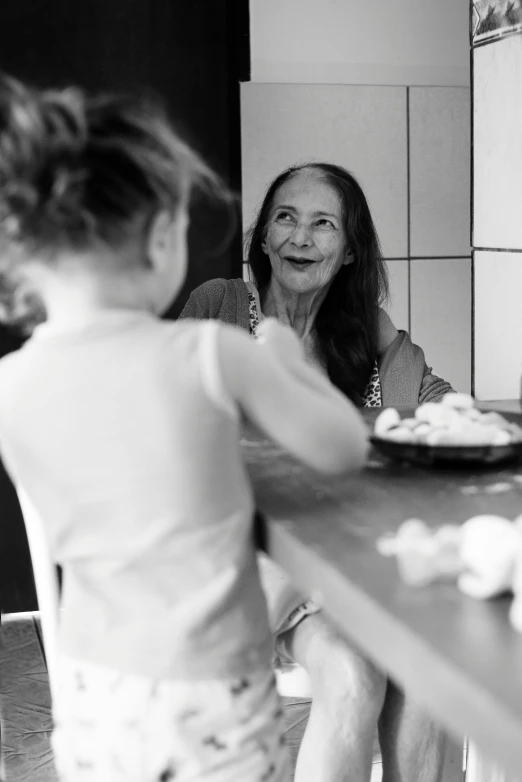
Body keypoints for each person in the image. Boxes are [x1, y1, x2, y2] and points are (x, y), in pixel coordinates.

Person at [0, 80, 370, 782]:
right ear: (162, 237)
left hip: (93, 695)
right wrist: (288, 362)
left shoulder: (11, 386)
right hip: (211, 694)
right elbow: (342, 447)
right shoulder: (209, 351)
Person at [181, 162, 455, 782]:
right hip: (245, 565)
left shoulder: (360, 336)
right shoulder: (219, 306)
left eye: (323, 224)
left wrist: (391, 340)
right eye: (285, 217)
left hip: (340, 567)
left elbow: (439, 410)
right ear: (264, 237)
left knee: (403, 659)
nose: (300, 238)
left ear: (351, 249)